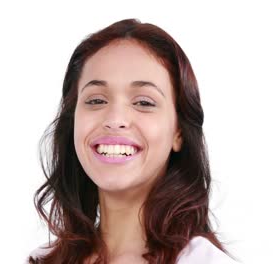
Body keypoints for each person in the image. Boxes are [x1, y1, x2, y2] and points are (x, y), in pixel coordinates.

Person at [26, 18, 240, 264]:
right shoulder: (41, 259)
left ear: (178, 133)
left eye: (144, 102)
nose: (115, 119)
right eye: (96, 100)